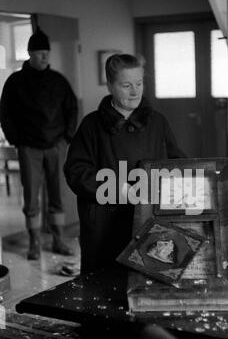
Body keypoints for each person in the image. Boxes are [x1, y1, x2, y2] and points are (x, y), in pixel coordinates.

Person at [64, 53, 185, 273]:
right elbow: (76, 172)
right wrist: (119, 189)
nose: (135, 91)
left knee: (144, 280)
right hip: (103, 225)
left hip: (149, 222)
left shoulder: (157, 122)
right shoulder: (91, 125)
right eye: (126, 85)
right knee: (102, 286)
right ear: (110, 85)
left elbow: (177, 164)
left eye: (139, 83)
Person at [0, 27, 78, 260]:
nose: (45, 56)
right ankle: (34, 242)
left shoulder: (58, 81)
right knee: (31, 196)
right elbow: (5, 113)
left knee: (57, 195)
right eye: (40, 52)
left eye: (47, 52)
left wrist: (67, 137)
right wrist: (16, 140)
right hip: (29, 147)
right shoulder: (15, 81)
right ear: (30, 54)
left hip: (56, 145)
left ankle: (58, 240)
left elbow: (72, 109)